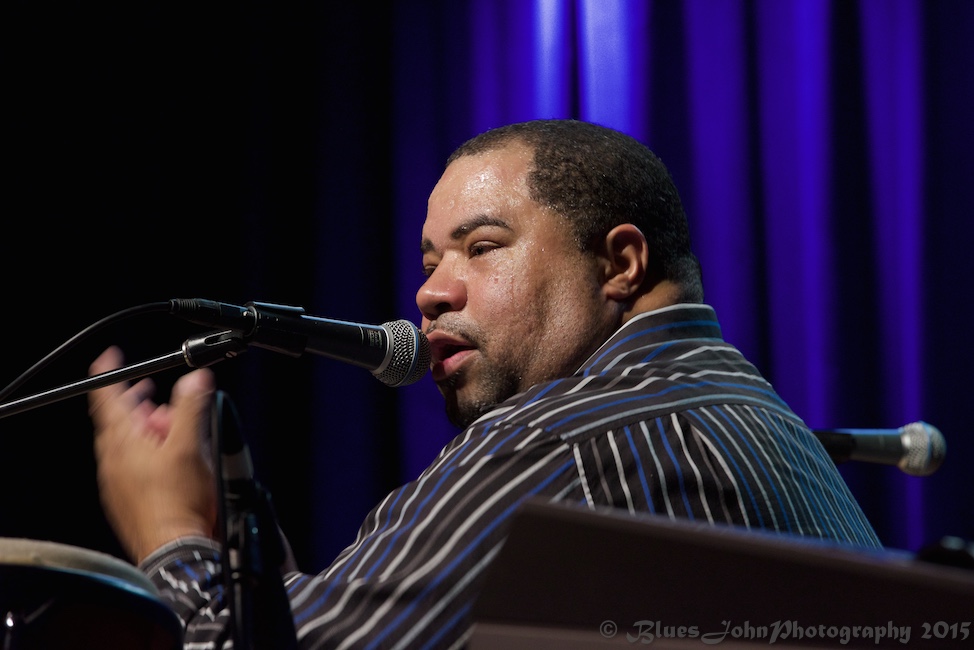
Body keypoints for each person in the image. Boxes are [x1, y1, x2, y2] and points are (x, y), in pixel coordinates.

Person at [88, 119, 881, 649]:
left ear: (621, 263)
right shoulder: (754, 417)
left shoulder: (568, 437)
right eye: (430, 264)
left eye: (482, 247)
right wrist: (248, 569)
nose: (431, 293)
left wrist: (171, 534)